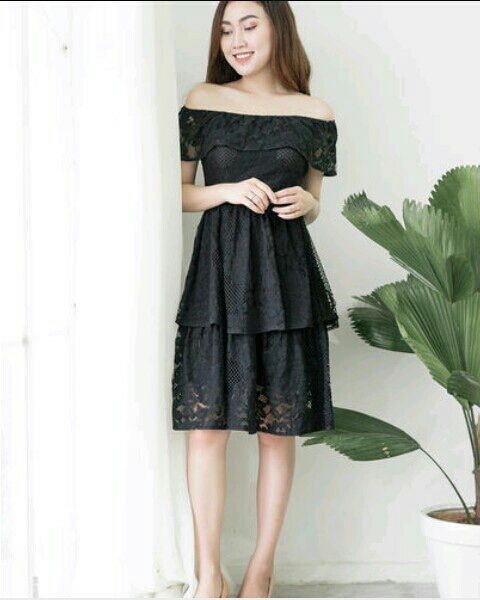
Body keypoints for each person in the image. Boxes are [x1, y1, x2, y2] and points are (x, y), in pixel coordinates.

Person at [171, 1, 339, 597]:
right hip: (217, 282)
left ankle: (261, 570)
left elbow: (312, 202)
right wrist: (225, 191)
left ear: (277, 28)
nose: (236, 40)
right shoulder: (203, 100)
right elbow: (175, 192)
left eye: (249, 25)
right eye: (226, 30)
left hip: (284, 283)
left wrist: (310, 204)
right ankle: (207, 574)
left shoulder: (314, 113)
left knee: (276, 431)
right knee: (205, 429)